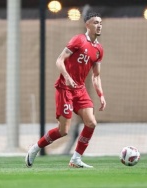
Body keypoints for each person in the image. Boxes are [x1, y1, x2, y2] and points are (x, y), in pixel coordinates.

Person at [25, 12, 106, 168]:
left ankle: (76, 159)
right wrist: (67, 77)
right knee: (63, 131)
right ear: (87, 25)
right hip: (65, 89)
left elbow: (96, 76)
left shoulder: (99, 49)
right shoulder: (78, 40)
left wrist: (101, 95)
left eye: (100, 22)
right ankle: (35, 148)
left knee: (91, 123)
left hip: (80, 90)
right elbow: (59, 60)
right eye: (95, 22)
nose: (99, 25)